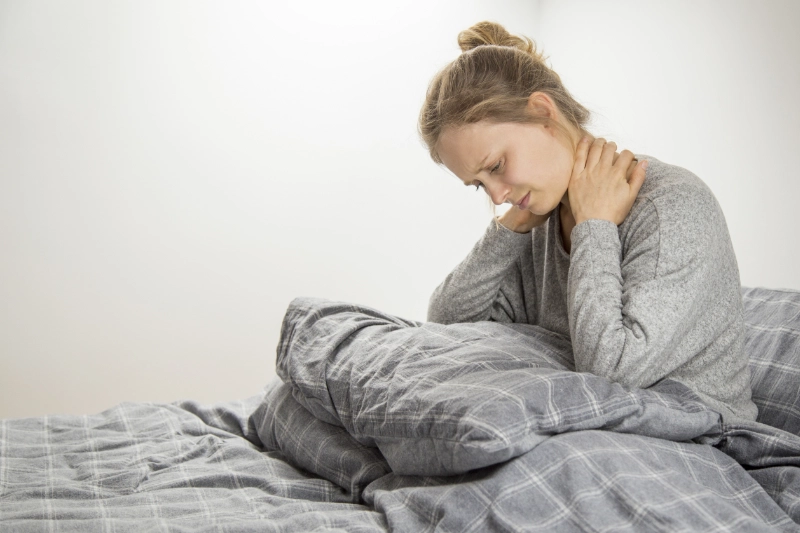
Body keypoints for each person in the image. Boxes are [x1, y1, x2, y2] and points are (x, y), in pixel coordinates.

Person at [418, 21, 757, 422]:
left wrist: (594, 226)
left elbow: (613, 371)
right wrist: (506, 230)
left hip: (698, 431)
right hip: (602, 424)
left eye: (496, 166)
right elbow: (447, 324)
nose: (496, 196)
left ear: (544, 114)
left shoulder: (670, 206)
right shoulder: (537, 219)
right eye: (479, 185)